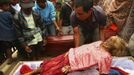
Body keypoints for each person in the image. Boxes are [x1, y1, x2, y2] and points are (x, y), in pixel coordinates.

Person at [20, 36, 128, 75]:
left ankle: (32, 72)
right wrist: (72, 68)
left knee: (48, 65)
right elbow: (103, 72)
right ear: (115, 51)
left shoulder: (99, 42)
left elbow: (85, 52)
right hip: (70, 64)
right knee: (52, 72)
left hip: (69, 54)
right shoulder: (106, 57)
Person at [0, 0, 17, 64]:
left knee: (8, 48)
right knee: (17, 45)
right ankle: (21, 55)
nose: (8, 7)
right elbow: (14, 21)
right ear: (1, 7)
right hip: (12, 34)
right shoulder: (8, 14)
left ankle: (10, 59)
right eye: (6, 6)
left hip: (3, 36)